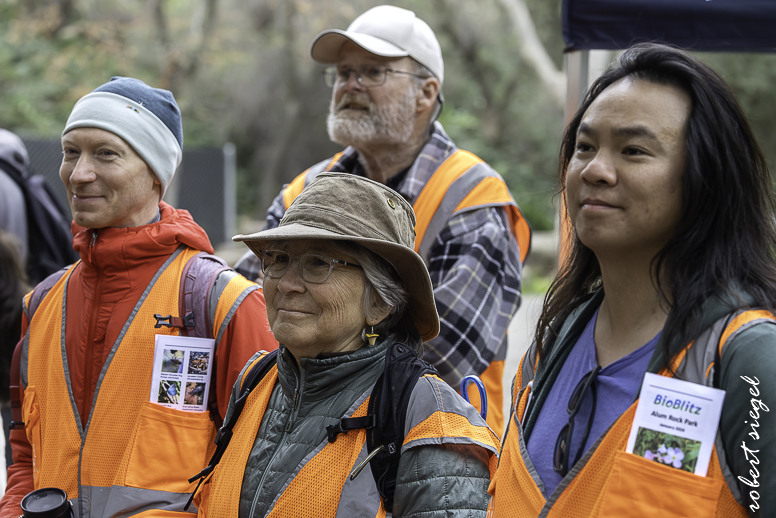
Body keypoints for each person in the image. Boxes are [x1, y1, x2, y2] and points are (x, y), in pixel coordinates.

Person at [488, 44, 776, 517]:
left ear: (704, 179)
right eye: (584, 147)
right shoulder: (552, 341)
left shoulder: (747, 361)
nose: (595, 170)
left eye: (633, 150)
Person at [234, 5, 532, 436]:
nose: (349, 84)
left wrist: (308, 371)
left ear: (427, 93)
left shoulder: (472, 197)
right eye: (343, 72)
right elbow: (250, 321)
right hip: (289, 453)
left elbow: (445, 353)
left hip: (431, 455)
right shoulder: (303, 190)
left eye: (373, 72)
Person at [0, 77, 278, 517]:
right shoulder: (41, 305)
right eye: (71, 151)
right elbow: (23, 451)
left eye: (106, 153)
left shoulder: (223, 304)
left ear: (155, 172)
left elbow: (266, 469)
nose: (79, 172)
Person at [193, 172, 501, 517]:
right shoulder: (255, 381)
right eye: (278, 259)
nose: (288, 283)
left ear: (380, 304)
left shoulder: (431, 423)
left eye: (318, 263)